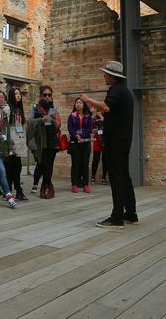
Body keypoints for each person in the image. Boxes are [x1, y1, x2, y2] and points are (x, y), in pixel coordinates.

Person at [80, 61, 137, 229]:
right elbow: (112, 113)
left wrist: (87, 99)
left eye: (105, 74)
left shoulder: (117, 90)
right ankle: (131, 214)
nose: (104, 76)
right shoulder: (122, 91)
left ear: (112, 76)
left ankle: (117, 217)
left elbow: (106, 107)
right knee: (124, 176)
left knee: (117, 177)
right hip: (122, 141)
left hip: (116, 142)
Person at [31, 86, 61, 199]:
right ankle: (49, 185)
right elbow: (30, 123)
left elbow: (58, 126)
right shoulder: (35, 108)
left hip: (52, 139)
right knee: (43, 164)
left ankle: (45, 186)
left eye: (49, 95)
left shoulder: (53, 109)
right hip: (40, 140)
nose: (47, 97)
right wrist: (40, 120)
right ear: (40, 96)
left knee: (49, 164)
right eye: (45, 95)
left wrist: (53, 120)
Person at [67, 97, 94, 193]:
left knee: (85, 164)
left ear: (83, 105)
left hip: (86, 142)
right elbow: (70, 129)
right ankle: (75, 184)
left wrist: (82, 136)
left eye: (80, 102)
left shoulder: (88, 116)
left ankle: (85, 184)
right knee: (75, 164)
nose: (78, 104)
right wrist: (77, 136)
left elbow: (89, 128)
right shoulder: (72, 116)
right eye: (76, 102)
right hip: (75, 143)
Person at [6, 87, 28, 201]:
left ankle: (16, 190)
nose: (18, 96)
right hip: (11, 142)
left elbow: (21, 127)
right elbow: (7, 127)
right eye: (15, 94)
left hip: (19, 141)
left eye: (19, 94)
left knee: (17, 167)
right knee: (11, 167)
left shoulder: (18, 110)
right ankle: (11, 190)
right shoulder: (8, 109)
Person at [91, 110, 107, 184]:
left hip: (105, 140)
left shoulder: (106, 118)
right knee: (96, 159)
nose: (99, 112)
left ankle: (104, 178)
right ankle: (93, 177)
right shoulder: (94, 119)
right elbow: (89, 125)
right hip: (97, 140)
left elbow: (108, 126)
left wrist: (101, 117)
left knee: (105, 160)